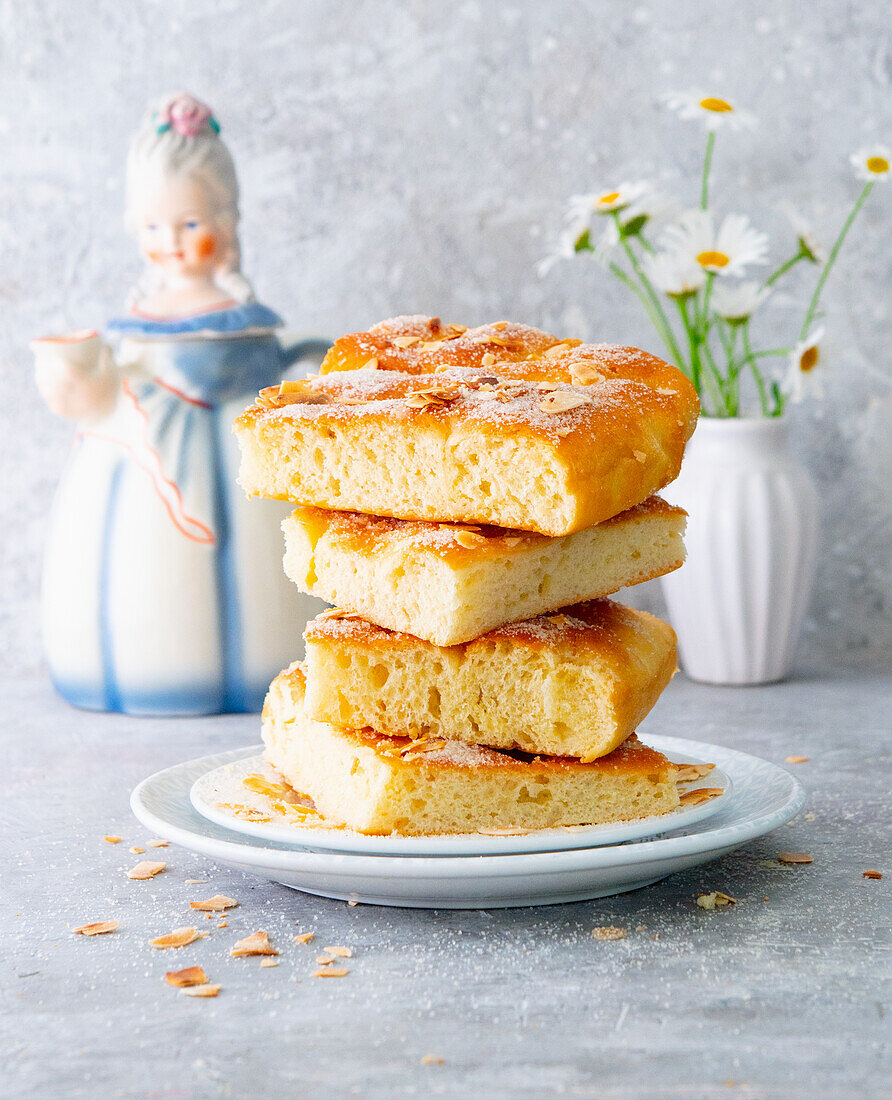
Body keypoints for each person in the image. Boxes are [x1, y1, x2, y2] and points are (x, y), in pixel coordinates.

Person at [32, 93, 326, 714]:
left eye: (190, 224)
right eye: (153, 227)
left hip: (240, 435)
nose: (169, 242)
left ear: (227, 221)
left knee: (260, 558)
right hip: (143, 439)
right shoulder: (131, 342)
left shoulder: (248, 331)